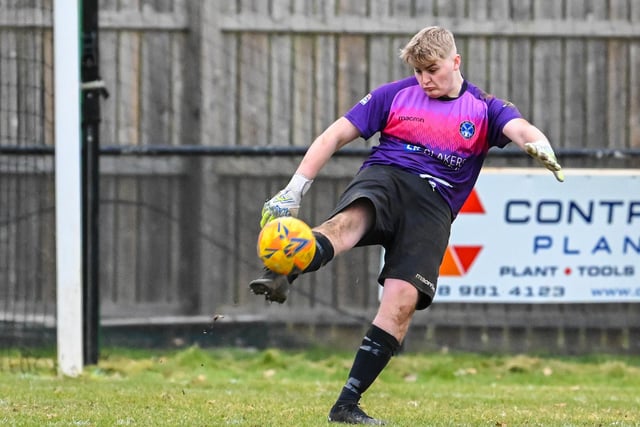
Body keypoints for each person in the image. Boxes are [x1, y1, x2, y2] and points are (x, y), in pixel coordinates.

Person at [249, 26, 564, 425]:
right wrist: (294, 190)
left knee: (401, 303)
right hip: (386, 177)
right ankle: (282, 269)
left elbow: (520, 128)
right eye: (418, 72)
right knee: (345, 226)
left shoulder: (484, 107)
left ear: (455, 61)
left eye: (432, 70)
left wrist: (539, 144)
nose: (424, 80)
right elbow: (334, 135)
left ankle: (346, 405)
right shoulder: (393, 95)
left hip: (434, 205)